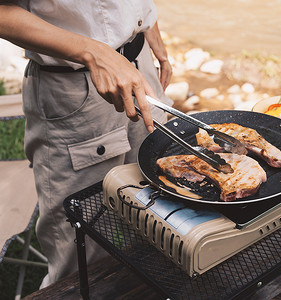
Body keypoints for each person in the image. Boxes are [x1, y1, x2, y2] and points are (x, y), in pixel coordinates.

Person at [0, 0, 173, 286]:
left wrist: (147, 26)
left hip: (141, 69)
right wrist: (95, 52)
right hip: (77, 88)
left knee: (157, 226)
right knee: (81, 260)